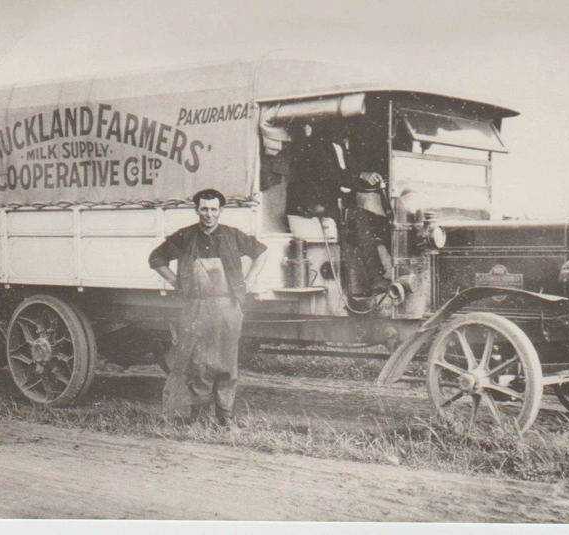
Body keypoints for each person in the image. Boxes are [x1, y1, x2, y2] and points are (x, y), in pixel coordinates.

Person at [149, 188, 268, 426]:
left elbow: (261, 252)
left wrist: (250, 280)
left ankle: (225, 417)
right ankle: (200, 418)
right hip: (196, 306)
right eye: (204, 209)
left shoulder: (233, 236)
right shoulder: (185, 236)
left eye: (214, 209)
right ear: (196, 210)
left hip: (228, 306)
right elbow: (156, 259)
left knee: (227, 362)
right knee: (199, 362)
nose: (209, 214)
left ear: (221, 211)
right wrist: (176, 282)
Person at [287, 121, 390, 295]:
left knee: (384, 223)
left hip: (336, 204)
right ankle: (375, 278)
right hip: (318, 206)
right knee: (359, 218)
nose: (347, 129)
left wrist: (364, 177)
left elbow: (348, 176)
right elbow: (332, 178)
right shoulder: (316, 145)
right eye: (343, 125)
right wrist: (360, 176)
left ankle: (399, 272)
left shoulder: (341, 147)